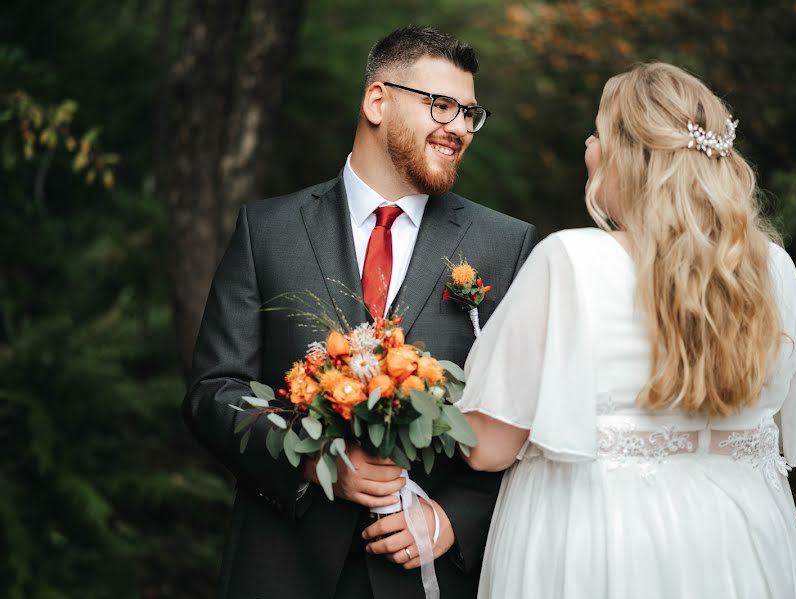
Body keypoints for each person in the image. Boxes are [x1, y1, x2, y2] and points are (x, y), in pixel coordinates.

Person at [182, 26, 537, 599]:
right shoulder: (267, 231)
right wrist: (310, 461)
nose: (459, 129)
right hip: (281, 565)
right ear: (377, 100)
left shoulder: (506, 244)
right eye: (441, 106)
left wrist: (452, 521)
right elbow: (212, 391)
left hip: (426, 576)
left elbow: (525, 416)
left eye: (470, 114)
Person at [456, 62, 796, 598]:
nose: (589, 145)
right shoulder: (773, 270)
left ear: (628, 156)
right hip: (742, 545)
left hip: (601, 544)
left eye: (599, 131)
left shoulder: (569, 261)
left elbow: (487, 447)